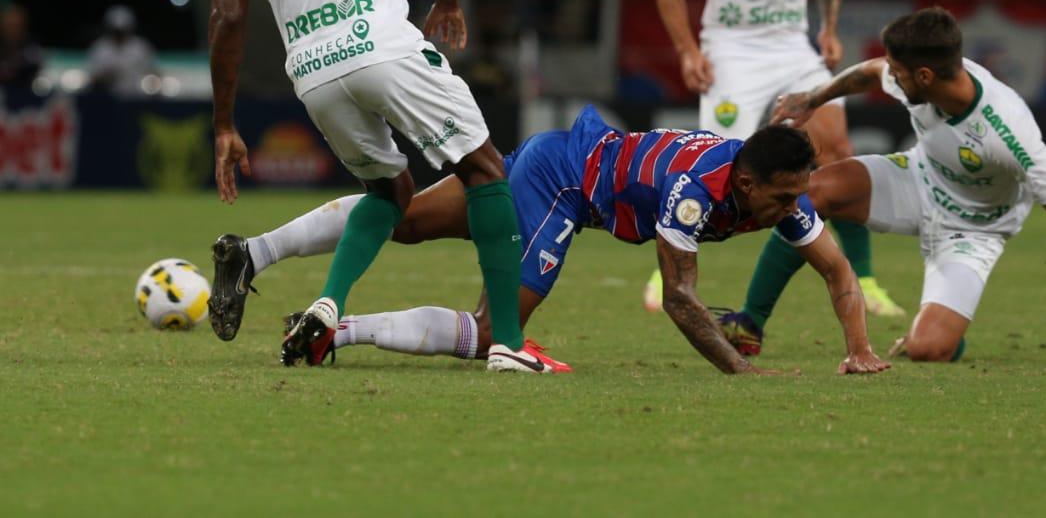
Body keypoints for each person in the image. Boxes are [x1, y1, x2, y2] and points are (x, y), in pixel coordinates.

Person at [202, 0, 558, 372]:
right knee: (484, 170)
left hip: (313, 71)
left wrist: (223, 124)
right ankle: (509, 345)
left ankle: (329, 301)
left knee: (390, 192)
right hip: (384, 47)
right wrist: (447, 1)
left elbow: (229, 16)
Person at [210, 105, 890, 375]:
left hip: (559, 155)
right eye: (783, 198)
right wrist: (742, 370)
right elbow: (680, 298)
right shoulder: (697, 191)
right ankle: (337, 332)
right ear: (745, 181)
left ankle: (254, 252)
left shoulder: (777, 190)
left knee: (405, 218)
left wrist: (859, 350)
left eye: (797, 197)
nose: (792, 210)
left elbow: (836, 270)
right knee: (493, 336)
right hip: (562, 183)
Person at [745, 7, 1046, 361]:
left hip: (975, 228)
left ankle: (945, 334)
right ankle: (749, 322)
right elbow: (870, 72)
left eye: (898, 70)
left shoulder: (1006, 130)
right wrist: (813, 98)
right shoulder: (913, 77)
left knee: (928, 350)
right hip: (918, 179)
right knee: (813, 194)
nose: (892, 75)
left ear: (925, 76)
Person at [653, 0, 904, 342]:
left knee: (839, 151)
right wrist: (687, 51)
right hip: (731, 51)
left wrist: (829, 27)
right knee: (710, 168)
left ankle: (864, 278)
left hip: (792, 48)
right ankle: (667, 262)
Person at [87, 6, 156, 96]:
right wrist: (107, 76)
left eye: (122, 31)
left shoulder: (141, 47)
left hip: (137, 96)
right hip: (106, 96)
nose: (119, 35)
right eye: (116, 31)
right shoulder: (99, 48)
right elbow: (91, 76)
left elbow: (152, 72)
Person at [0, 4, 43, 91]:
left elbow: (33, 71)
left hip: (23, 93)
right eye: (8, 25)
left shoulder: (31, 48)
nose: (12, 29)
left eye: (15, 25)